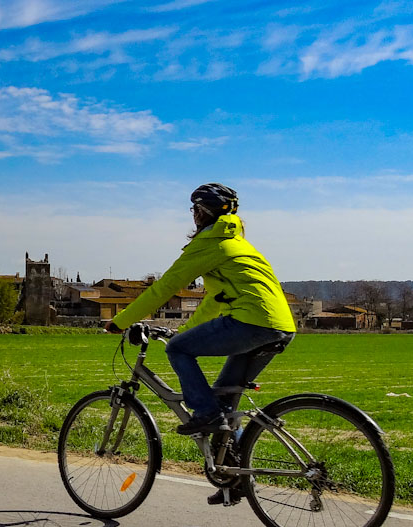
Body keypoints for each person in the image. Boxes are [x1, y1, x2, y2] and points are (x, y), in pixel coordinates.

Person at [106, 183, 296, 438]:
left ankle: (205, 414)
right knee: (225, 401)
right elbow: (214, 301)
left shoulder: (210, 244)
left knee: (178, 349)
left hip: (251, 323)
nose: (193, 214)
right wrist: (184, 330)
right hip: (281, 326)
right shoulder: (237, 244)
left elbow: (164, 288)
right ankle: (233, 469)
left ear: (201, 212)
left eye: (194, 208)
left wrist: (120, 321)